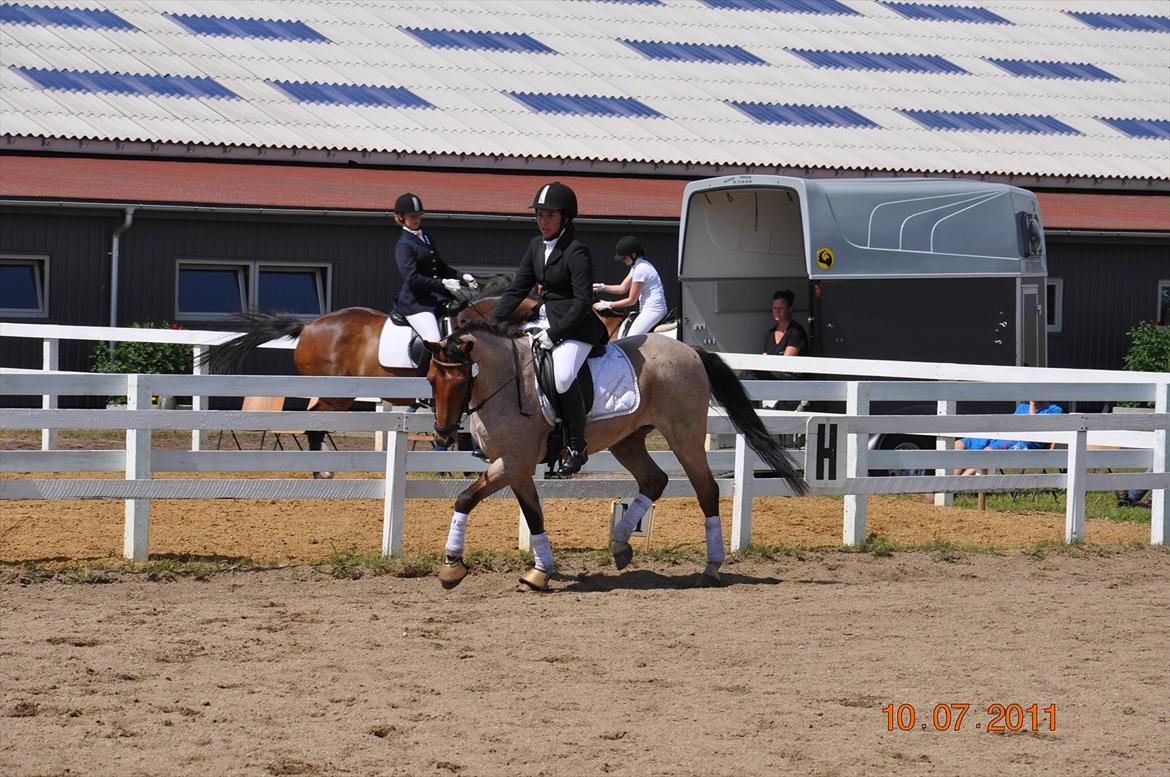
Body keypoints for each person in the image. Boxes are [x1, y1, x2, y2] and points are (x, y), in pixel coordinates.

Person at [490, 181, 608, 478]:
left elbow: (582, 302)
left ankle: (577, 446)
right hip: (542, 318)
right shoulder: (535, 246)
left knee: (564, 376)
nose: (543, 221)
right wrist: (491, 324)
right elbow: (518, 289)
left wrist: (556, 334)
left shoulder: (577, 251)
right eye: (540, 215)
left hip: (575, 325)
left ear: (565, 217)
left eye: (549, 216)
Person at [392, 192, 476, 342]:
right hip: (416, 304)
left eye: (418, 215)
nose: (416, 219)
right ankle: (426, 366)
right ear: (401, 217)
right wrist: (442, 283)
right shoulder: (404, 245)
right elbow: (412, 279)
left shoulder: (426, 237)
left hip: (436, 299)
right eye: (412, 216)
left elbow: (440, 266)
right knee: (434, 340)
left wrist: (462, 276)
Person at [954, 400, 1063, 476]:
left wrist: (1033, 407)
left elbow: (1032, 437)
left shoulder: (1054, 410)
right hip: (1005, 437)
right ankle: (947, 483)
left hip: (1025, 444)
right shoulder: (1022, 408)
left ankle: (955, 486)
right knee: (959, 444)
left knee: (987, 452)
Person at [591, 235, 668, 337]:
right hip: (648, 309)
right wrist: (603, 287)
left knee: (631, 338)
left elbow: (631, 300)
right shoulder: (637, 267)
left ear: (633, 255)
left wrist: (609, 304)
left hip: (653, 310)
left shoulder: (641, 269)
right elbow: (622, 288)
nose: (623, 261)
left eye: (624, 258)